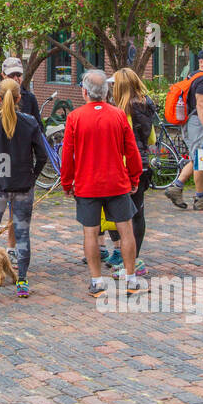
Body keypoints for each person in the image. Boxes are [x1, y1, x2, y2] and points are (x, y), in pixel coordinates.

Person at [61, 69, 145, 298]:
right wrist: (134, 176)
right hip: (116, 182)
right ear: (107, 92)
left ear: (85, 92)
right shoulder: (118, 115)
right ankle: (131, 279)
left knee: (91, 232)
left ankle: (97, 281)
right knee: (125, 230)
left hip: (87, 184)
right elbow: (132, 150)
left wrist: (67, 182)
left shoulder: (75, 117)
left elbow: (67, 154)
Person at [0, 77, 45, 300]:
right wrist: (33, 176)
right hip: (22, 185)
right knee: (22, 234)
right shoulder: (30, 122)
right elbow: (42, 155)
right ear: (20, 97)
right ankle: (22, 281)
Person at [0, 56, 42, 261]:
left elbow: (38, 130)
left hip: (21, 162)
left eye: (19, 74)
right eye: (12, 74)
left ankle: (11, 248)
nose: (16, 78)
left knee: (18, 212)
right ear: (2, 75)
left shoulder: (29, 98)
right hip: (1, 162)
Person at [111, 67, 157, 275]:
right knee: (139, 213)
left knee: (125, 215)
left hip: (128, 166)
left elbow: (124, 141)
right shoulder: (147, 105)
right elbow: (152, 138)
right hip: (145, 161)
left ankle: (131, 261)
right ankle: (134, 257)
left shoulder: (124, 110)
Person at [164, 48, 203, 211]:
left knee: (195, 157)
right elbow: (201, 105)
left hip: (189, 121)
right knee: (200, 159)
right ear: (201, 61)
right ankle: (200, 198)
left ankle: (176, 187)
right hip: (197, 122)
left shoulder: (192, 76)